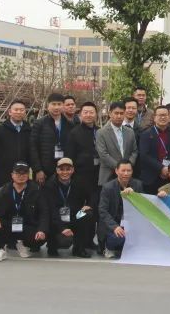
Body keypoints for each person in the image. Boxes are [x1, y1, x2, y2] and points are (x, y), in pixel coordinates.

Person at [0, 161, 48, 262]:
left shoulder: (36, 190)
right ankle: (1, 249)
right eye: (18, 173)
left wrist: (42, 230)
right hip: (8, 225)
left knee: (40, 237)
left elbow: (44, 213)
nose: (21, 176)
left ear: (28, 175)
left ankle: (21, 244)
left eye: (24, 173)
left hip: (27, 226)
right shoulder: (3, 191)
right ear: (12, 175)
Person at [64, 102, 102, 252]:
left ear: (96, 114)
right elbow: (69, 156)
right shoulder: (74, 133)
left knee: (93, 209)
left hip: (96, 177)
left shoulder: (99, 132)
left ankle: (89, 240)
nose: (88, 115)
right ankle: (78, 243)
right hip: (79, 178)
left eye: (91, 112)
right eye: (85, 112)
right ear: (80, 114)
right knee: (80, 212)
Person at [41, 158, 91, 258]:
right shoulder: (49, 185)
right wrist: (62, 228)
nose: (65, 172)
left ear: (72, 170)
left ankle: (79, 248)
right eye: (62, 169)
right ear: (57, 170)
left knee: (87, 213)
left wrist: (88, 205)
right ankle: (52, 245)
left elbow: (90, 195)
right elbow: (51, 210)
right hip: (56, 219)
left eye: (68, 169)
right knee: (62, 240)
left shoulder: (79, 182)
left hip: (74, 216)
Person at [98, 160, 143, 258]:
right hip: (114, 225)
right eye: (123, 170)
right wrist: (115, 227)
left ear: (132, 171)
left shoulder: (137, 185)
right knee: (118, 237)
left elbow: (142, 206)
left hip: (130, 223)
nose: (126, 173)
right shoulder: (108, 187)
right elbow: (102, 210)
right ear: (116, 171)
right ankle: (108, 248)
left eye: (129, 170)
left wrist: (134, 195)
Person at [0, 99, 32, 190]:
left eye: (21, 110)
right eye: (16, 109)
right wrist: (1, 165)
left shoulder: (30, 131)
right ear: (10, 112)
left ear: (25, 112)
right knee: (3, 196)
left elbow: (33, 151)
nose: (18, 112)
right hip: (3, 173)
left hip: (23, 172)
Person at [96, 101, 138, 183]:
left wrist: (128, 166)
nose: (119, 116)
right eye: (116, 113)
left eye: (121, 113)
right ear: (110, 114)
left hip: (127, 176)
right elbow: (103, 154)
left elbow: (134, 151)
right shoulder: (101, 132)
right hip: (108, 175)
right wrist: (120, 168)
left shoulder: (130, 132)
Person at [30, 93, 68, 186]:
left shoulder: (69, 124)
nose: (56, 107)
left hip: (63, 169)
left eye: (59, 104)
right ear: (48, 106)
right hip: (44, 171)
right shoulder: (39, 124)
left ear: (63, 106)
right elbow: (33, 147)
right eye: (53, 104)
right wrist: (38, 170)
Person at [136, 105, 170, 194]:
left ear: (169, 117)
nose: (163, 117)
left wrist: (168, 168)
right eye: (160, 115)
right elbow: (144, 155)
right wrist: (161, 168)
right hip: (151, 176)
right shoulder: (146, 134)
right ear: (154, 118)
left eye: (165, 115)